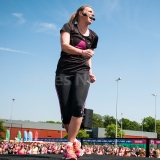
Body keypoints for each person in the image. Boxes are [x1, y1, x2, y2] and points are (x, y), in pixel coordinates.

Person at [55, 5, 98, 160]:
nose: (93, 14)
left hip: (82, 72)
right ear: (82, 13)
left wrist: (90, 72)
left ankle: (68, 146)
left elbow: (89, 56)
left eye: (94, 12)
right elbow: (64, 46)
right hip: (63, 72)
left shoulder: (93, 36)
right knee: (66, 113)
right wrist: (81, 52)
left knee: (78, 106)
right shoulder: (68, 27)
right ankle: (74, 143)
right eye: (90, 11)